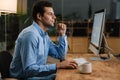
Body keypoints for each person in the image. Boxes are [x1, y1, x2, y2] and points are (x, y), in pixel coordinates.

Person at [10, 0, 78, 79]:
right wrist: (58, 65)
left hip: (35, 74)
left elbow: (61, 55)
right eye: (50, 14)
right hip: (24, 77)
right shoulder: (30, 35)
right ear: (39, 16)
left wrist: (62, 34)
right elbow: (29, 69)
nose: (54, 17)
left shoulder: (44, 35)